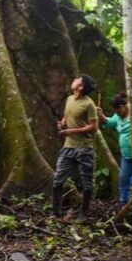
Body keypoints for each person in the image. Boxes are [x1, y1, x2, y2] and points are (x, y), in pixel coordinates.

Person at [53, 74, 98, 222]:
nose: (73, 80)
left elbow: (93, 126)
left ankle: (84, 213)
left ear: (81, 86)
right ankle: (56, 213)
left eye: (77, 80)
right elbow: (67, 117)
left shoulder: (89, 104)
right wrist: (62, 123)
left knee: (86, 182)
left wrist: (72, 131)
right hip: (68, 147)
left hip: (84, 148)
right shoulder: (69, 99)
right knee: (58, 180)